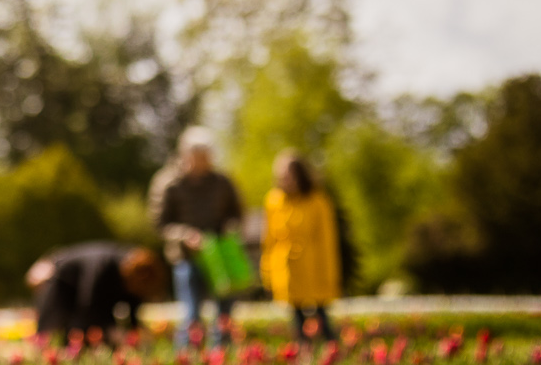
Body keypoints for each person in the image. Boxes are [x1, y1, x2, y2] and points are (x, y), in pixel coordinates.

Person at [150, 126, 245, 349]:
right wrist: (184, 236)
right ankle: (186, 359)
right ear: (185, 155)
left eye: (206, 157)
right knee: (191, 313)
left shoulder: (222, 182)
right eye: (198, 158)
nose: (203, 163)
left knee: (224, 311)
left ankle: (221, 357)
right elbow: (160, 223)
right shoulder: (168, 182)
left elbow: (237, 213)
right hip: (187, 256)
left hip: (221, 255)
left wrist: (229, 228)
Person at [261, 150, 340, 342]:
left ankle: (330, 348)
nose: (285, 181)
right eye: (281, 177)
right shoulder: (273, 200)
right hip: (287, 267)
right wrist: (267, 271)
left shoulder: (318, 201)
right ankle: (304, 353)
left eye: (288, 177)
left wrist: (328, 273)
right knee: (296, 321)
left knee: (322, 316)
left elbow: (327, 241)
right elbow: (270, 239)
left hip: (312, 265)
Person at [25, 242, 169, 343]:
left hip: (88, 297)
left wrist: (134, 334)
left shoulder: (138, 277)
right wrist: (111, 330)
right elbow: (87, 304)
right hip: (61, 281)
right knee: (58, 331)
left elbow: (133, 311)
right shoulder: (102, 267)